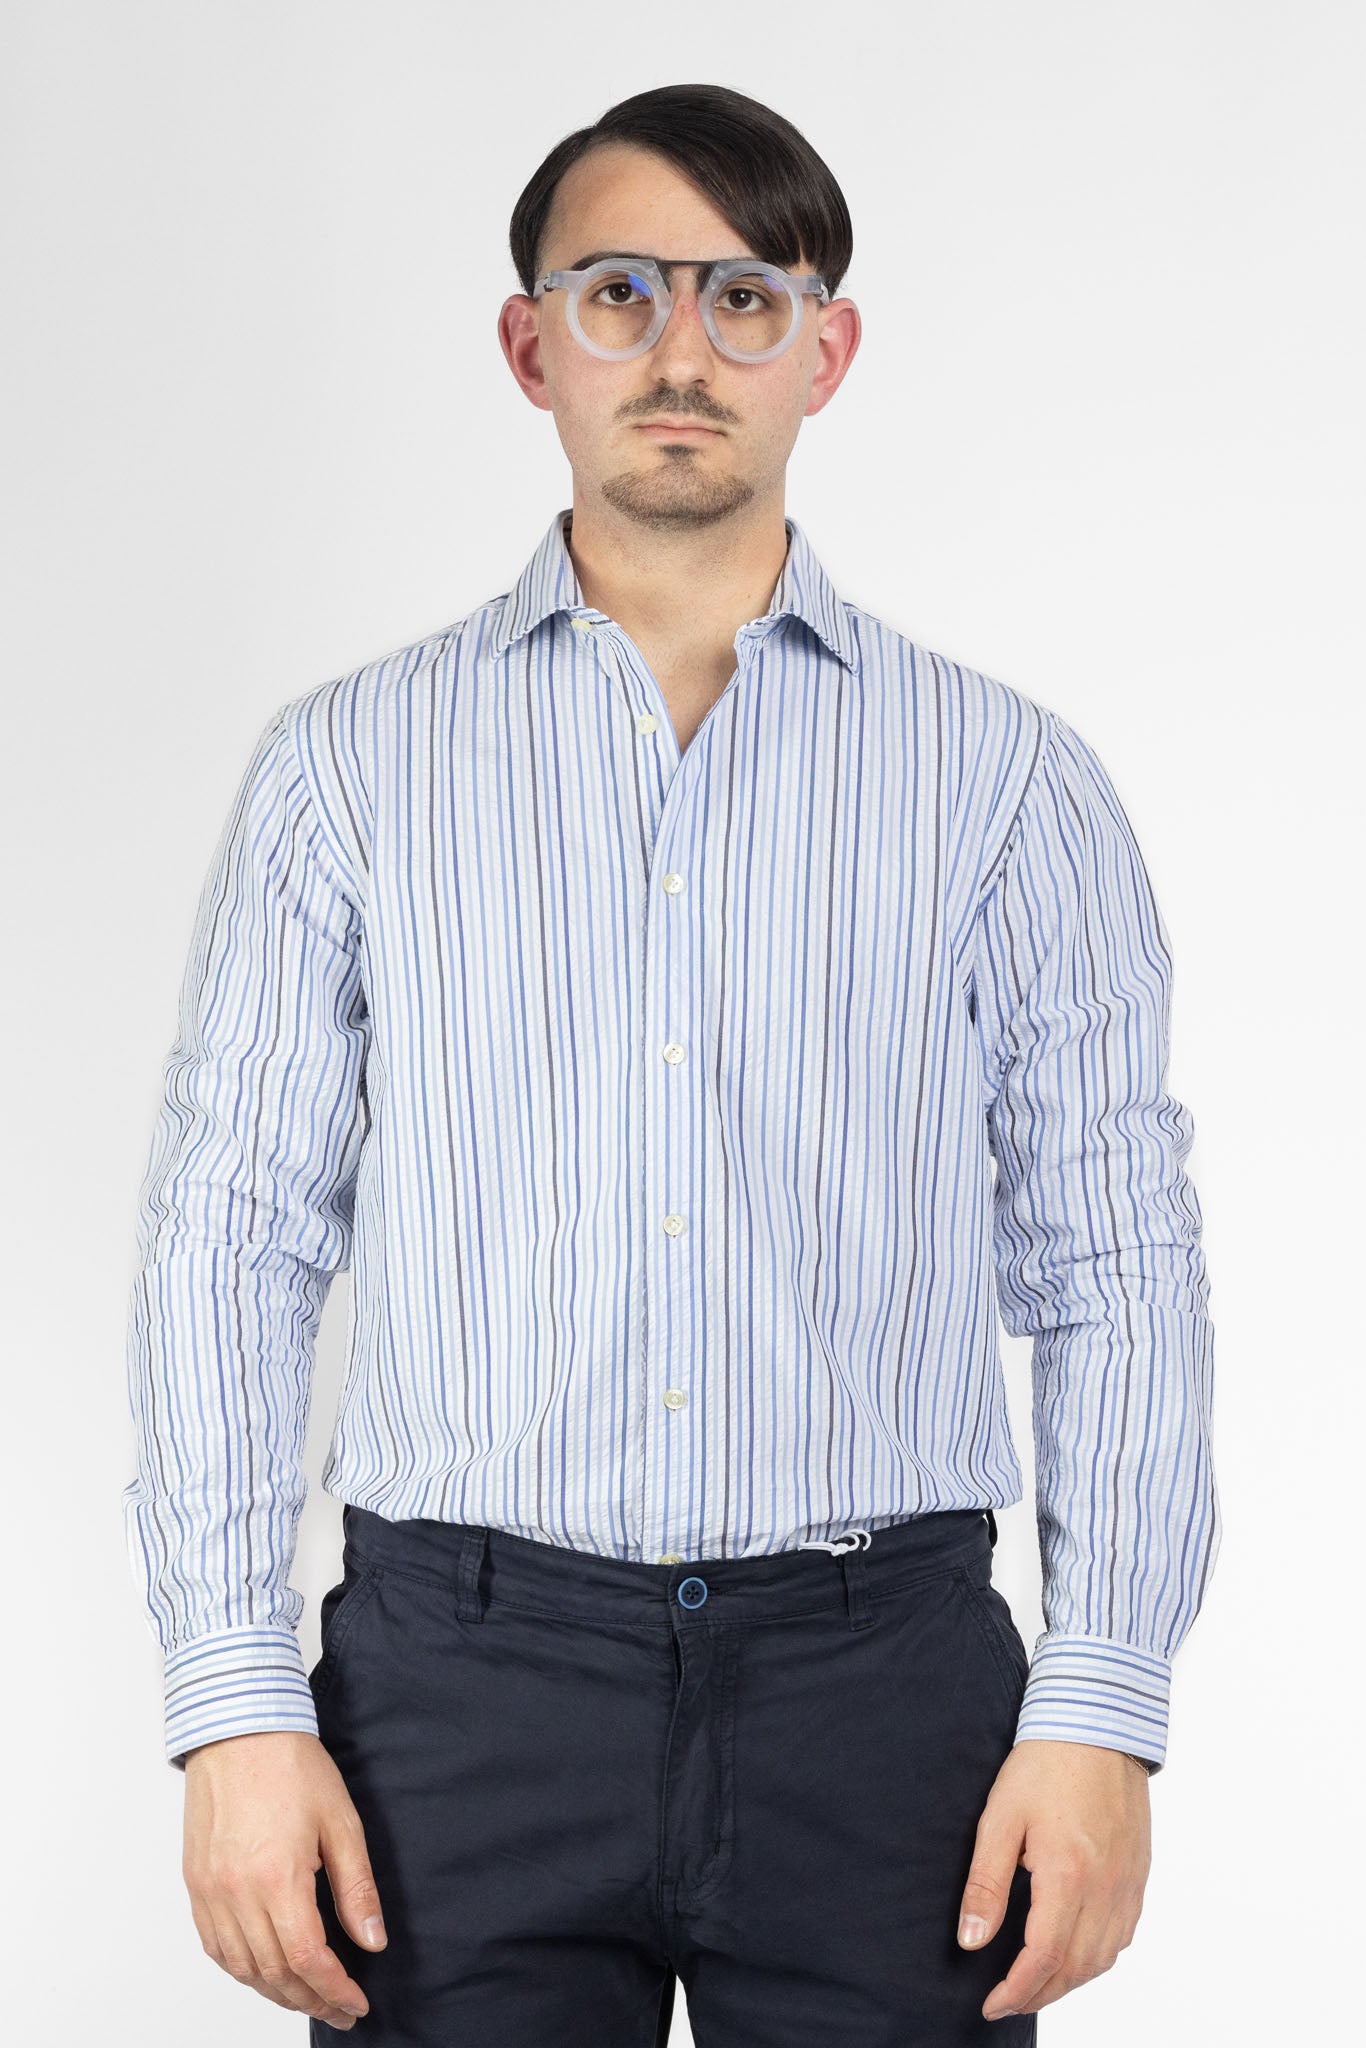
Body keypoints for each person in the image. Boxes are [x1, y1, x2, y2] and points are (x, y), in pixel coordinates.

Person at [121, 80, 1221, 2046]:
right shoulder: (347, 771)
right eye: (618, 291)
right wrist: (230, 1698)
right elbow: (232, 1236)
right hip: (457, 1694)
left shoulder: (1003, 784)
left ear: (825, 348)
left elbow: (1113, 1260)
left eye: (743, 295)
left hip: (883, 1692)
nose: (682, 350)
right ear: (529, 342)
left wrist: (1102, 1700)